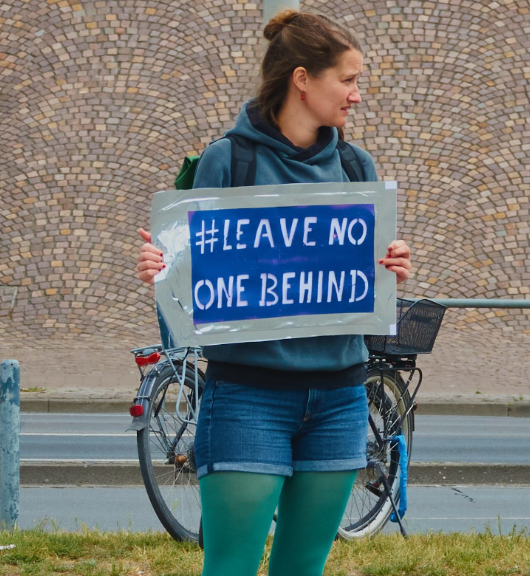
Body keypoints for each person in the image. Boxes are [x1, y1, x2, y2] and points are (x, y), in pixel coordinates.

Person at [135, 10, 411, 576]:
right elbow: (190, 284)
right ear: (303, 79)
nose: (357, 96)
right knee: (230, 567)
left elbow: (362, 282)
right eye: (349, 80)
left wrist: (390, 266)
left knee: (302, 568)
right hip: (247, 396)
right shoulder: (228, 161)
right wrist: (164, 269)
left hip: (339, 396)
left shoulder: (357, 168)